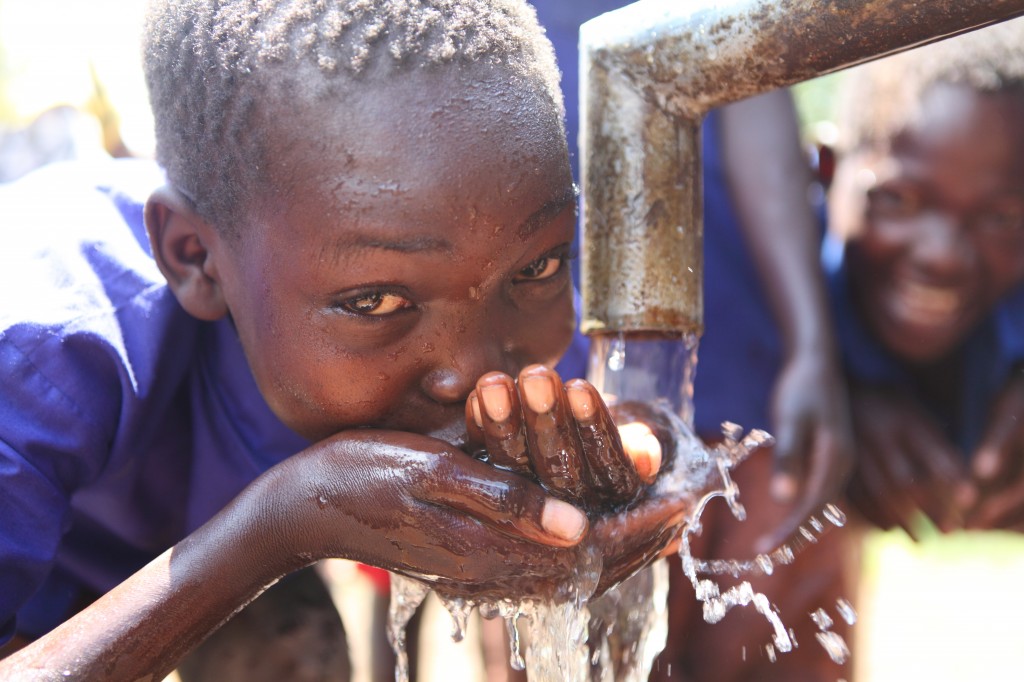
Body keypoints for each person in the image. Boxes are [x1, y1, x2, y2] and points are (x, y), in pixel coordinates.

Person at [0, 1, 694, 679]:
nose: (474, 372)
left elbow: (650, 450)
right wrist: (284, 525)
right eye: (375, 301)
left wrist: (642, 459)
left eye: (538, 266)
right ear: (195, 258)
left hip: (189, 577)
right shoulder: (42, 356)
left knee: (291, 650)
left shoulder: (504, 331)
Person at [520, 3, 857, 681]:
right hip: (556, 405)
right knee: (577, 655)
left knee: (769, 646)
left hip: (743, 380)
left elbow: (758, 102)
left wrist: (812, 348)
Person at [827, 21, 1024, 538]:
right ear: (826, 172)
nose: (942, 257)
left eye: (1001, 218)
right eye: (897, 199)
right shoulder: (776, 294)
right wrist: (842, 385)